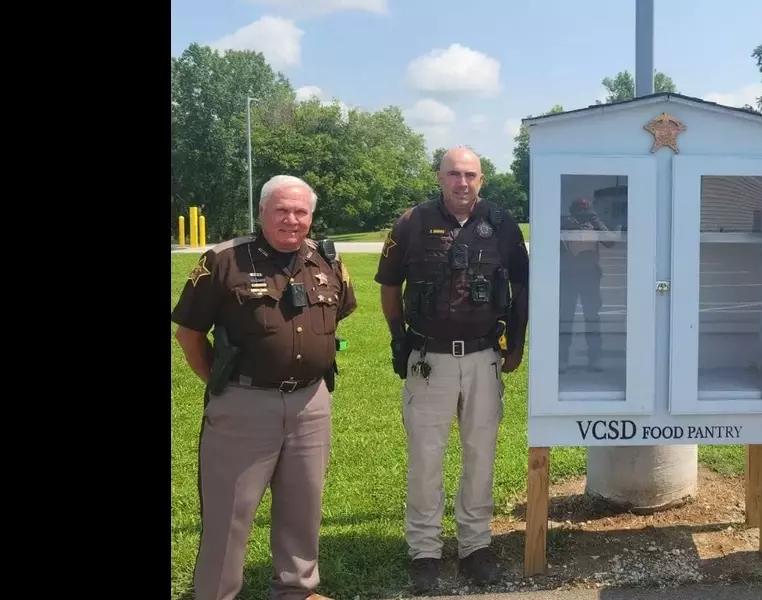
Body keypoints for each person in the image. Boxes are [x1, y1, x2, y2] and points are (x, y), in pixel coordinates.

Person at [172, 174, 357, 600]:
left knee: (303, 507)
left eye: (301, 212)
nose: (291, 220)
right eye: (281, 210)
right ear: (261, 212)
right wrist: (226, 384)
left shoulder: (326, 260)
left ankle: (297, 591)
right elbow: (189, 334)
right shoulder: (224, 261)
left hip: (311, 403)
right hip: (243, 405)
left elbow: (336, 315)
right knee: (229, 515)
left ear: (311, 216)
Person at [374, 146, 530, 594]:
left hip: (483, 357)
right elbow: (388, 285)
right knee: (426, 457)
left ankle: (474, 546)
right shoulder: (412, 222)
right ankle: (425, 550)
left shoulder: (502, 225)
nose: (462, 182)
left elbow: (521, 287)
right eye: (453, 174)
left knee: (480, 455)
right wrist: (398, 336)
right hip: (430, 358)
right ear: (439, 177)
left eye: (470, 174)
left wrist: (515, 344)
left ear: (482, 179)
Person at [558, 197, 614, 372]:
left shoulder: (594, 224)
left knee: (592, 318)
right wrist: (571, 223)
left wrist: (596, 222)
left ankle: (595, 358)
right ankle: (562, 359)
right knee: (566, 318)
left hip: (590, 276)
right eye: (580, 213)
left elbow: (610, 241)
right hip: (568, 276)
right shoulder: (566, 223)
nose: (583, 217)